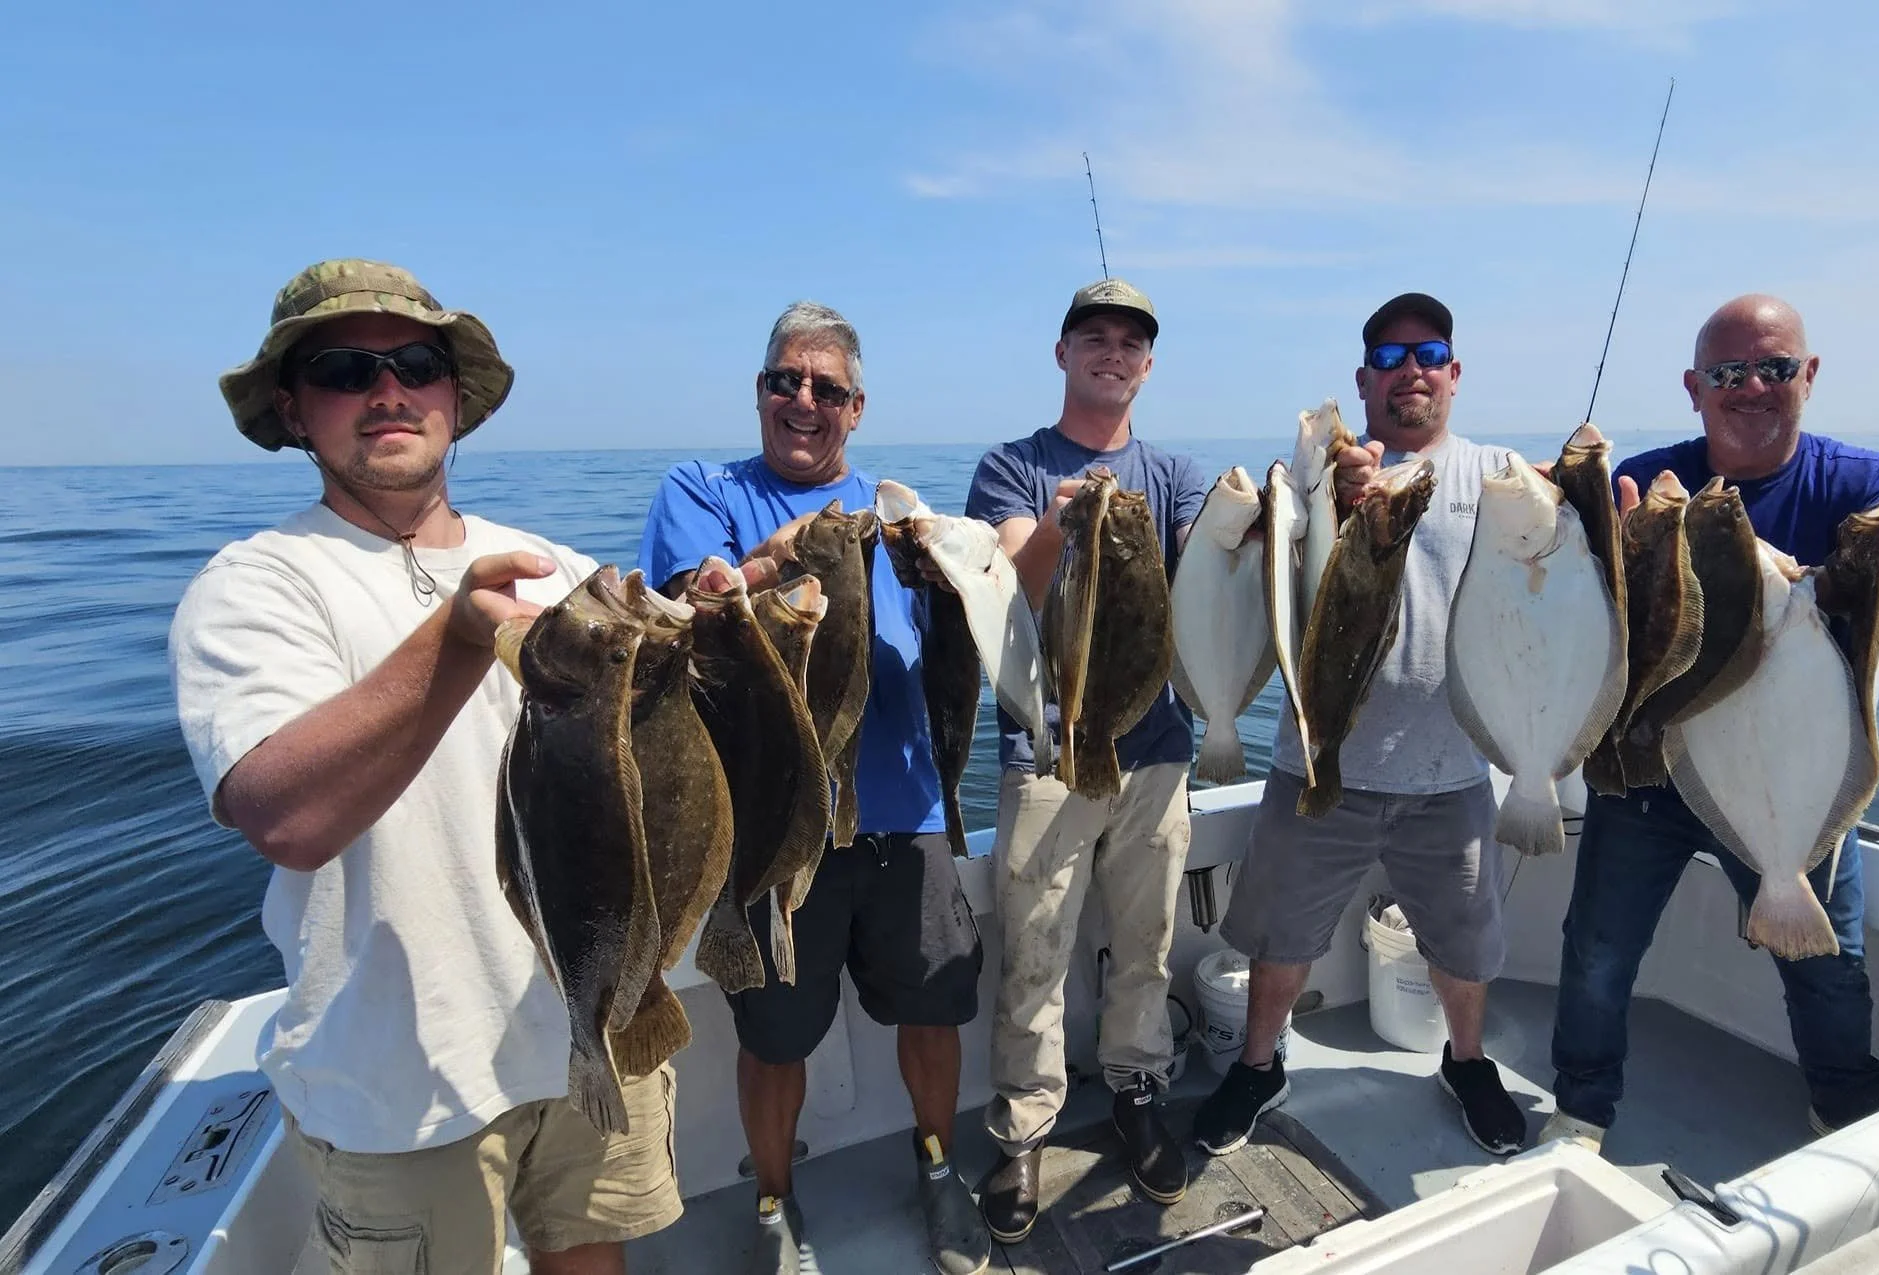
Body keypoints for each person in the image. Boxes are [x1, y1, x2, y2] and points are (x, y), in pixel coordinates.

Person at [169, 259, 680, 1275]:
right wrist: (456, 640)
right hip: (396, 1083)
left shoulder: (557, 569)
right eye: (343, 370)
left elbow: (667, 763)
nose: (388, 390)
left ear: (453, 393)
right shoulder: (258, 585)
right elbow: (287, 819)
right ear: (293, 407)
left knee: (594, 1257)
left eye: (414, 363)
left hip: (588, 1017)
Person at [1545, 293, 1879, 1149]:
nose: (1752, 387)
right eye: (1729, 372)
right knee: (1596, 949)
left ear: (1809, 375)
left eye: (1775, 368)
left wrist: (1825, 586)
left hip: (1790, 773)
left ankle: (1845, 1113)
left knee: (1829, 964)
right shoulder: (1652, 483)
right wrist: (1568, 504)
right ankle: (1580, 1112)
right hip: (1652, 766)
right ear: (1694, 387)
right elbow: (1542, 563)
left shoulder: (1858, 483)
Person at [636, 300, 988, 1275]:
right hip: (774, 826)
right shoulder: (700, 490)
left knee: (933, 1007)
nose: (803, 400)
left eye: (826, 388)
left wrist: (951, 565)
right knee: (776, 1034)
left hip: (906, 812)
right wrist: (798, 550)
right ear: (758, 392)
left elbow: (965, 631)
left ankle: (938, 1167)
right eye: (784, 381)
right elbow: (688, 606)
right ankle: (772, 1203)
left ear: (855, 408)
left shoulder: (897, 516)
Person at [1191, 292, 1531, 1159]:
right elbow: (1254, 557)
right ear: (1364, 379)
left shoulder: (1496, 473)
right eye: (1388, 356)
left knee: (1464, 942)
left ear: (1454, 373)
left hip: (1452, 768)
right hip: (1316, 760)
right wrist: (1327, 495)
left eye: (1429, 353)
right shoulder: (1323, 475)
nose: (1410, 369)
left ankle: (1467, 1061)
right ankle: (1259, 1065)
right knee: (1280, 935)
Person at [967, 278, 1207, 1243]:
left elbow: (1209, 570)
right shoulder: (1012, 467)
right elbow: (1012, 585)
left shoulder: (1176, 473)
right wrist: (1061, 523)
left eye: (1131, 342)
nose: (1114, 352)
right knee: (1034, 953)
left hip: (1157, 752)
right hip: (1051, 748)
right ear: (1062, 352)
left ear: (1149, 365)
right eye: (1094, 336)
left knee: (1147, 943)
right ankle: (1025, 1124)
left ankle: (1139, 1090)